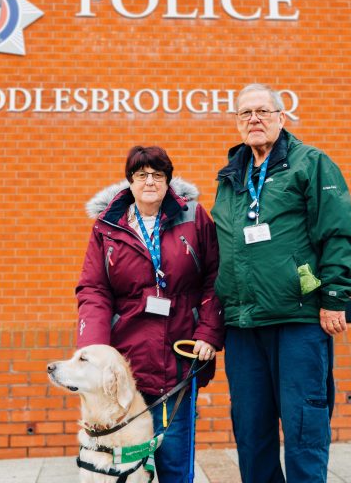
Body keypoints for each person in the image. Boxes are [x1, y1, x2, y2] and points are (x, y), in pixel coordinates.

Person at [211, 84, 351, 483]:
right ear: (237, 123)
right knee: (251, 430)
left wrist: (335, 298)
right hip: (243, 325)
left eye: (262, 111)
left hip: (298, 318)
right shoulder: (229, 176)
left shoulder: (311, 163)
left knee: (303, 426)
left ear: (281, 117)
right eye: (245, 114)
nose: (254, 119)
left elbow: (337, 233)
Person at [76, 145, 224, 483]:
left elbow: (216, 277)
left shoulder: (194, 217)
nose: (150, 181)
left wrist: (209, 334)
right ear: (129, 181)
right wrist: (95, 352)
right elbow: (93, 290)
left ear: (169, 181)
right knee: (122, 468)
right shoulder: (106, 227)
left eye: (158, 175)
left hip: (179, 355)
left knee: (174, 460)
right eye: (141, 175)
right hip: (125, 365)